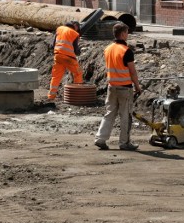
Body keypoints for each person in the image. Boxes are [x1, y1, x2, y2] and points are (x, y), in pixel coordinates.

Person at [94, 22, 141, 151]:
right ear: (122, 34)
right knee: (125, 116)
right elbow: (132, 71)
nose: (128, 35)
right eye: (127, 32)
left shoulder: (108, 49)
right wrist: (137, 86)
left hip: (112, 86)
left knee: (109, 113)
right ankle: (124, 142)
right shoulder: (126, 51)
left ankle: (100, 138)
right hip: (124, 88)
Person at [47, 21, 83, 100]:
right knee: (78, 73)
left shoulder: (59, 29)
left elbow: (52, 44)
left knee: (56, 76)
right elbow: (76, 50)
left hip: (58, 56)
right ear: (75, 26)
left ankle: (51, 96)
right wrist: (79, 52)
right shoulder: (74, 33)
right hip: (68, 57)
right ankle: (78, 95)